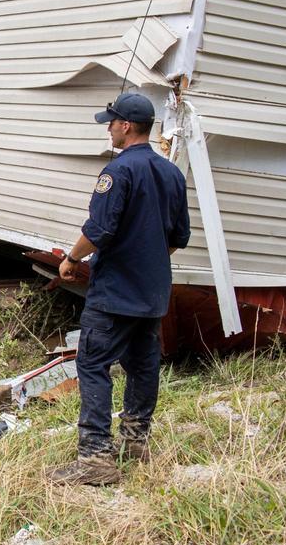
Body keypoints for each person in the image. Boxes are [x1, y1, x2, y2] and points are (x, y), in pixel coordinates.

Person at [48, 92, 190, 486]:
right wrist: (145, 255)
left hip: (115, 292)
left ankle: (95, 458)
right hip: (152, 291)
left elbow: (99, 230)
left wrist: (73, 261)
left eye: (111, 122)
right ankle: (136, 443)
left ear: (126, 126)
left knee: (93, 363)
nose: (108, 128)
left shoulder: (119, 172)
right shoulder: (172, 174)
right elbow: (178, 237)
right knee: (144, 366)